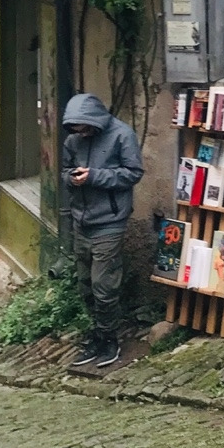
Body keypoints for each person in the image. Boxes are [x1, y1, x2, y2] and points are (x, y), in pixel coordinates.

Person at [62, 92, 144, 368]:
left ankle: (110, 339)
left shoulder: (122, 135)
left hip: (110, 221)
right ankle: (97, 334)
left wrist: (94, 176)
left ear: (94, 121)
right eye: (76, 129)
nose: (80, 133)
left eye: (84, 128)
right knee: (85, 284)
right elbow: (64, 170)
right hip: (81, 220)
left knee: (103, 284)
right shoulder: (73, 139)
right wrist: (72, 178)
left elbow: (133, 173)